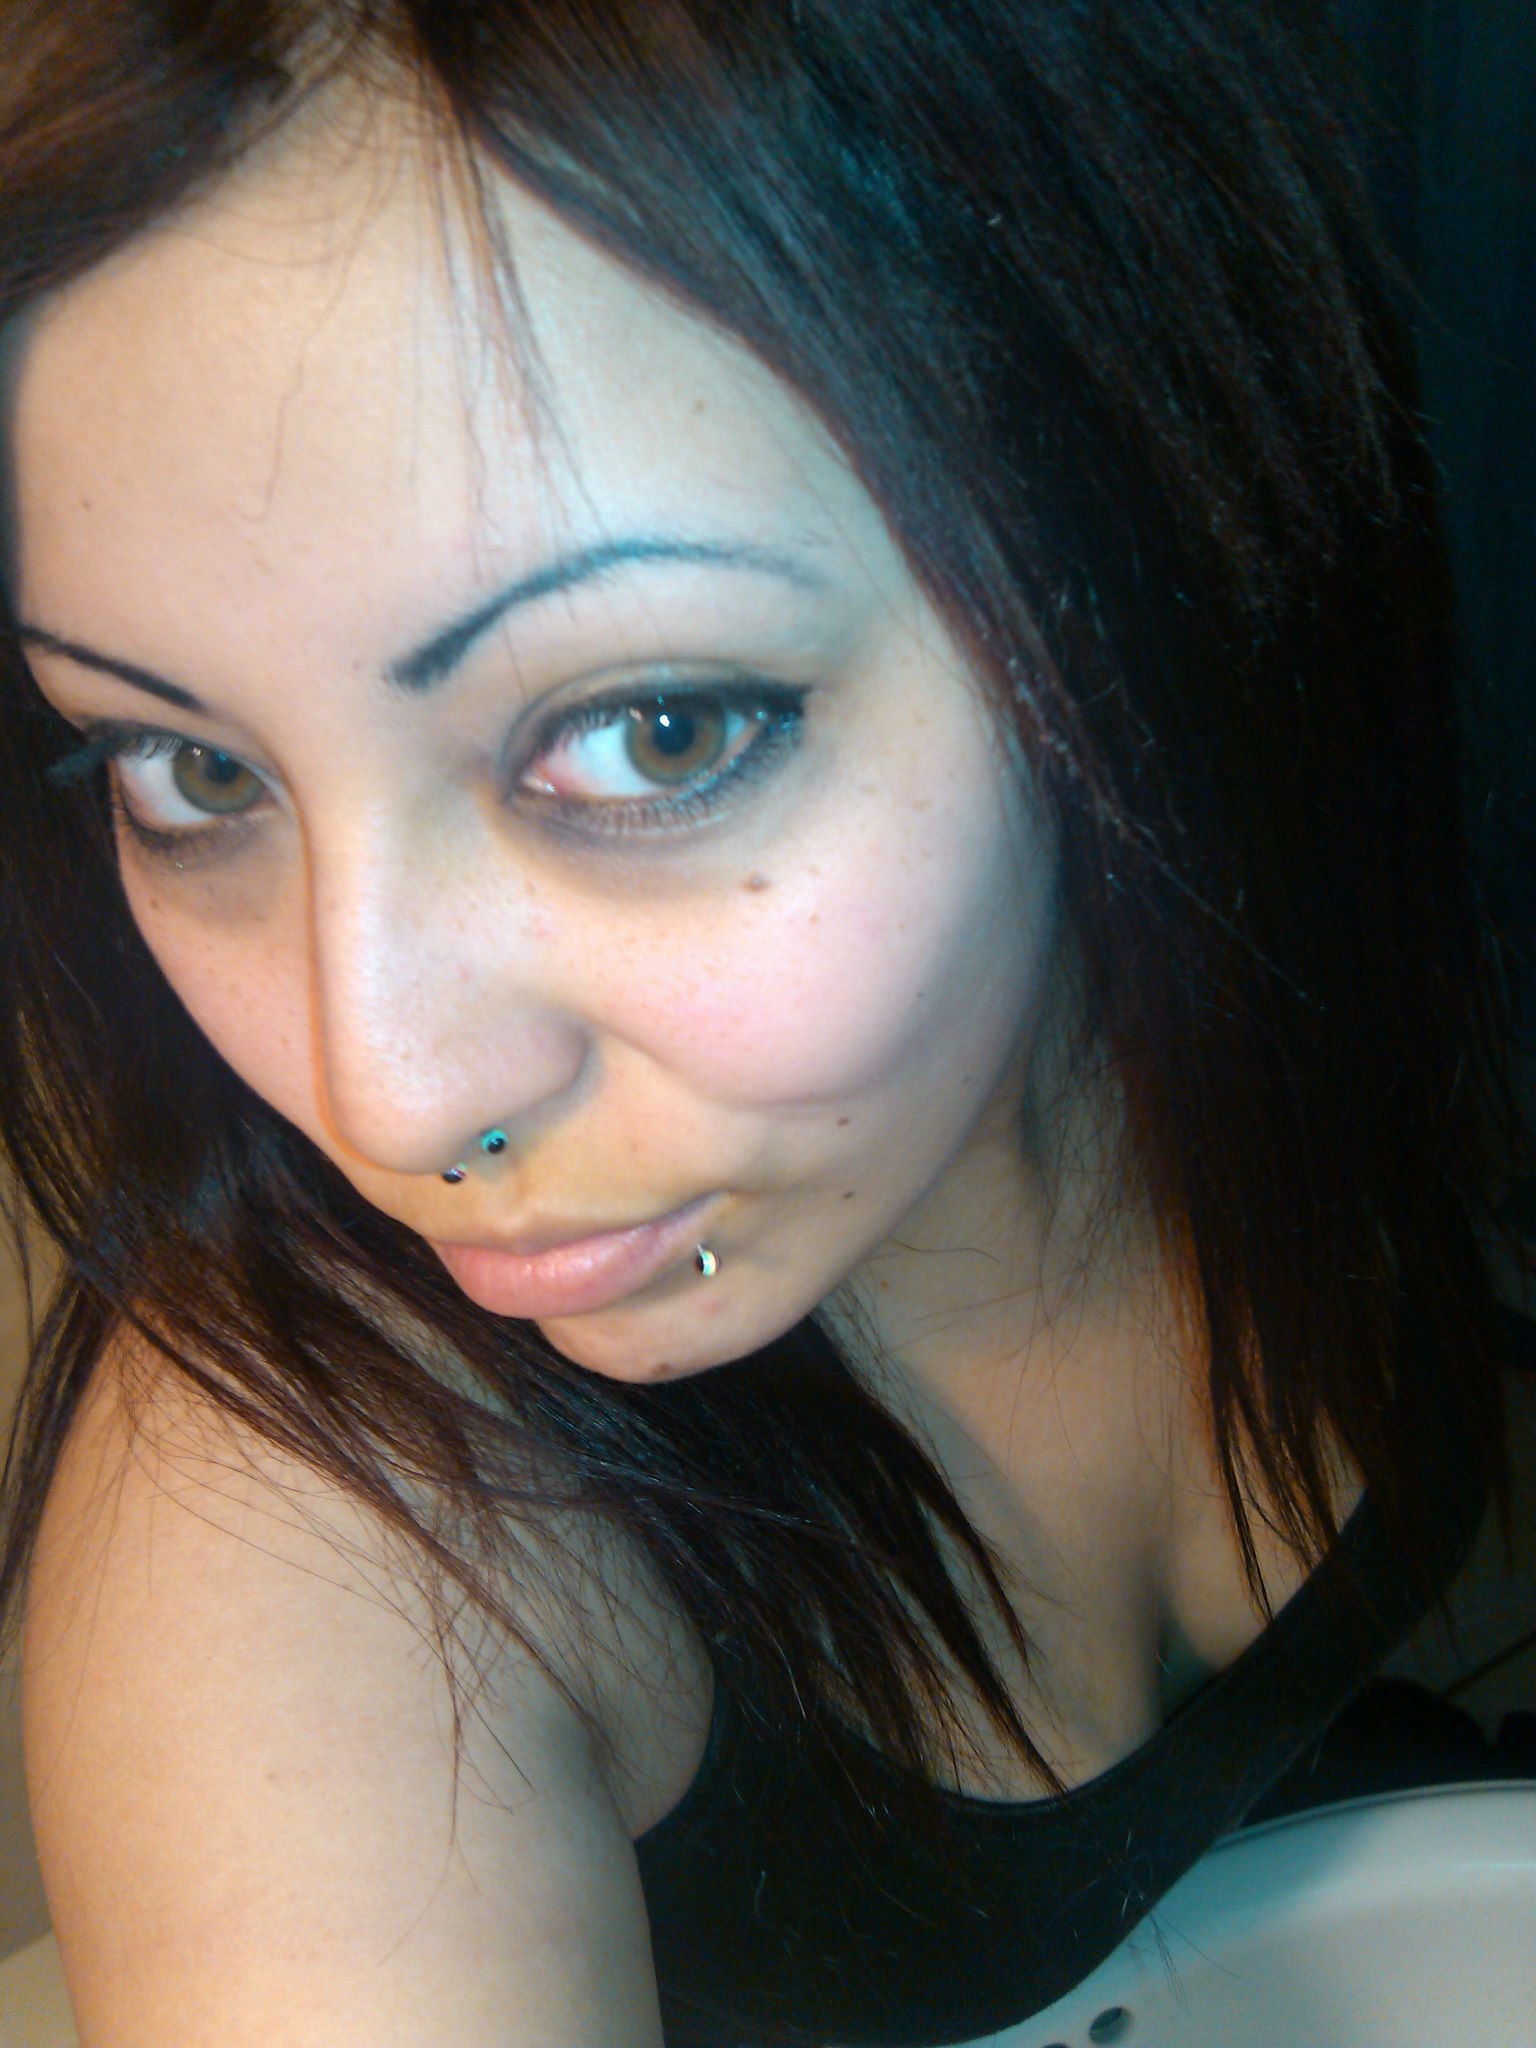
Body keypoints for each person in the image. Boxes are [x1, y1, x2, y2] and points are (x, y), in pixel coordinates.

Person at [0, 3, 1526, 2043]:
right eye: (188, 771)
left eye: (653, 729)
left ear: (1137, 546)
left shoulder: (1326, 957)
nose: (387, 1093)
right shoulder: (319, 1576)